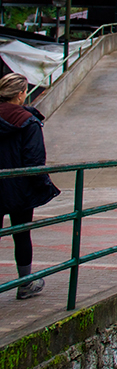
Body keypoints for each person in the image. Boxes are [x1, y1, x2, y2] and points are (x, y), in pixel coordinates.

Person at [0, 73, 60, 299]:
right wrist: (45, 187)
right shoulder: (28, 121)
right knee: (22, 233)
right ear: (20, 94)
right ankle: (25, 284)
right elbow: (34, 161)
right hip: (19, 188)